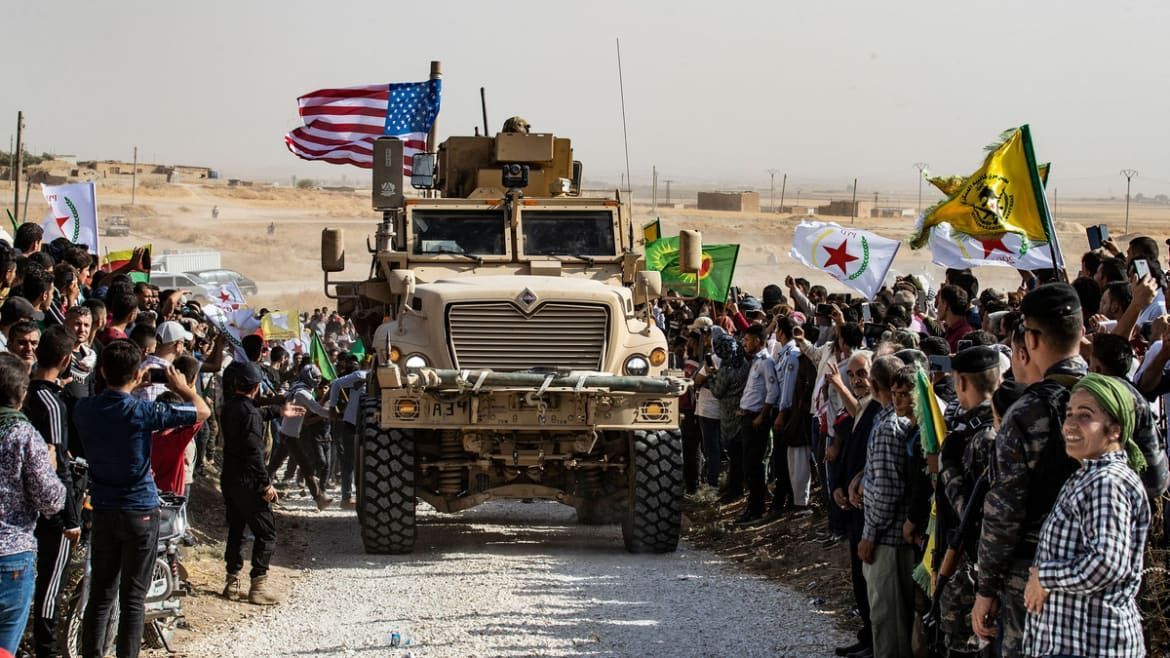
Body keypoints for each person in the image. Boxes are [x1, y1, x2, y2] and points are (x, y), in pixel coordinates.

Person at [73, 340, 209, 658]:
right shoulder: (141, 411)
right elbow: (202, 411)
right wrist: (181, 387)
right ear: (137, 374)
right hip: (140, 509)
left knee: (101, 594)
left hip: (103, 507)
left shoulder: (84, 409)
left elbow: (107, 404)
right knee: (133, 598)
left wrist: (130, 385)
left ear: (102, 371)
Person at [973, 283, 1087, 654]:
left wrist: (986, 589)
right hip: (1100, 572)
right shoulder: (1121, 397)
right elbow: (1155, 480)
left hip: (1033, 574)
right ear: (1082, 331)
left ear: (1032, 340)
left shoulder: (1025, 413)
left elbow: (1004, 512)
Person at [1022, 374, 1150, 657]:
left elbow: (1107, 564)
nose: (1070, 424)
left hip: (1091, 646)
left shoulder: (1107, 482)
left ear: (1114, 430)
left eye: (1085, 416)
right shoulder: (1088, 476)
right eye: (1069, 414)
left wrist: (1045, 577)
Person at [219, 361, 304, 605]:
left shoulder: (230, 407)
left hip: (230, 479)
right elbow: (254, 454)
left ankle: (232, 582)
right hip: (249, 482)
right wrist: (266, 484)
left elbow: (256, 413)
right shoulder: (249, 413)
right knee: (266, 533)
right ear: (256, 387)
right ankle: (258, 587)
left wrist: (279, 411)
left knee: (236, 530)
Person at [935, 345, 1000, 656]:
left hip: (973, 565)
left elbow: (974, 513)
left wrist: (948, 469)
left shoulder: (984, 437)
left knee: (967, 646)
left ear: (960, 381)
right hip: (969, 560)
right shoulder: (976, 428)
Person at [0, 352, 65, 654]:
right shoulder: (24, 435)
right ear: (22, 393)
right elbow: (51, 500)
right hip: (11, 555)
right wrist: (51, 467)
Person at [22, 326, 82, 658]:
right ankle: (45, 648)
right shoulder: (51, 403)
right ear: (66, 359)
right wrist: (70, 518)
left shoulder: (21, 393)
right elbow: (59, 462)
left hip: (21, 503)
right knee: (51, 580)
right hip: (52, 509)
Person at [858, 354, 916, 658]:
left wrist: (869, 535)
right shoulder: (887, 420)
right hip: (892, 537)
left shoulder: (887, 428)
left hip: (887, 541)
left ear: (873, 384)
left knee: (889, 623)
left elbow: (887, 492)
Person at [734, 324, 777, 524]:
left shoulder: (766, 362)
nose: (744, 343)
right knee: (748, 465)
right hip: (748, 416)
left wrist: (761, 416)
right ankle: (752, 506)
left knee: (754, 465)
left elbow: (772, 392)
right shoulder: (756, 361)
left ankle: (756, 509)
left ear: (758, 341)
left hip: (757, 420)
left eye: (747, 340)